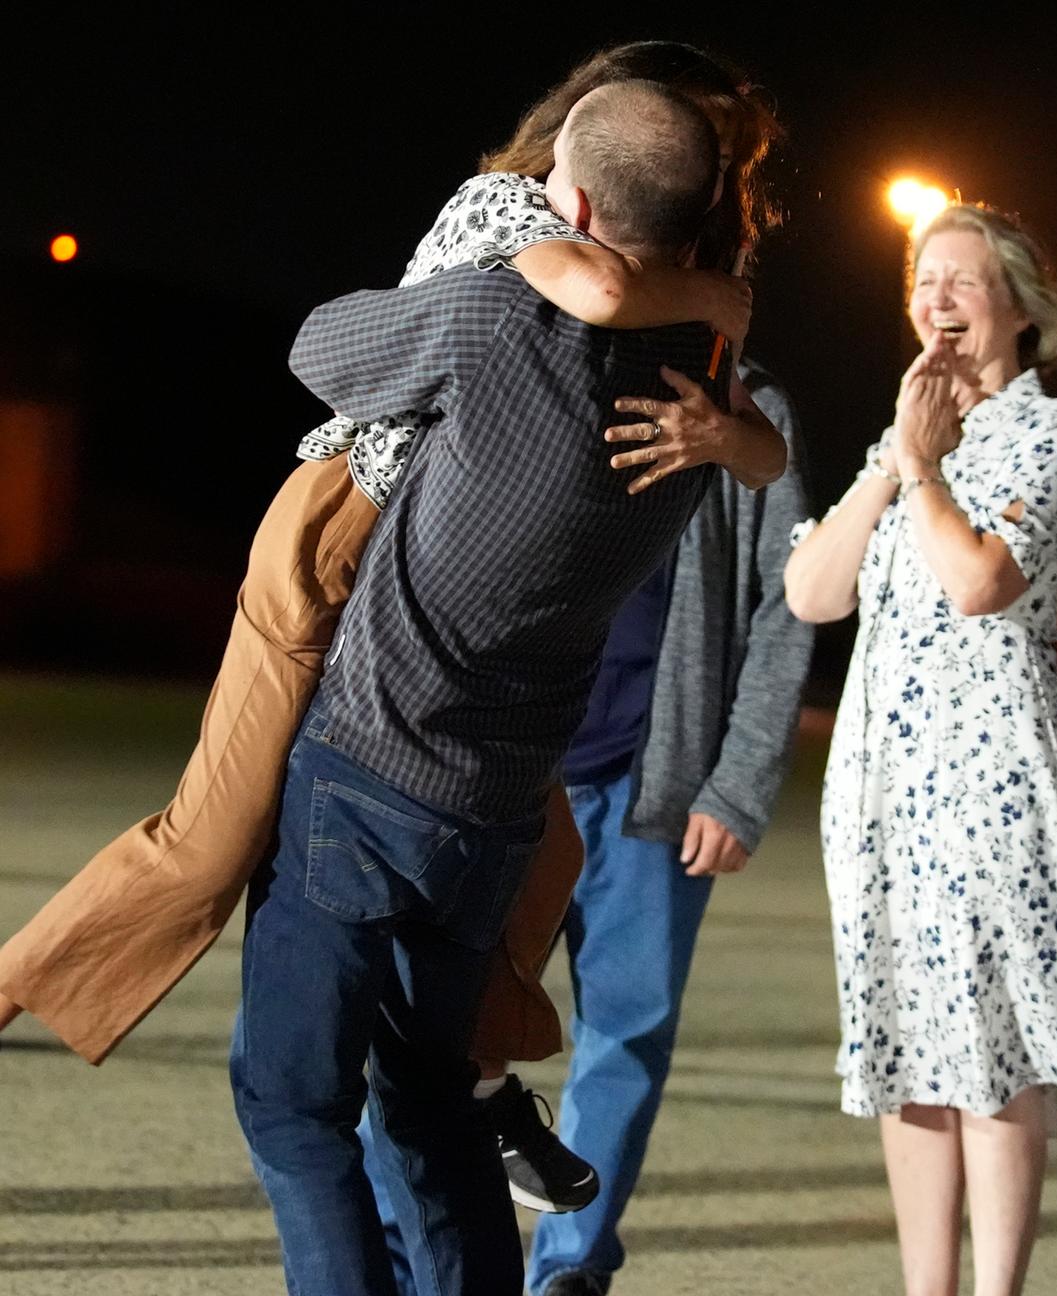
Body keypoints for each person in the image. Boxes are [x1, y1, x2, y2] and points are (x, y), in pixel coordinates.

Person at [0, 40, 778, 1072]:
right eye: (690, 134)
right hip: (345, 525)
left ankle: (470, 1082)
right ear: (595, 132)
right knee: (217, 836)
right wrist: (708, 298)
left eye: (716, 151)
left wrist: (721, 426)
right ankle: (15, 983)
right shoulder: (514, 208)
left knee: (543, 853)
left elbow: (762, 452)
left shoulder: (680, 294)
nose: (701, 165)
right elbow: (594, 289)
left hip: (447, 576)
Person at [235, 78, 783, 1296]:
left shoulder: (495, 316)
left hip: (369, 764)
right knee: (431, 1102)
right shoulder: (702, 393)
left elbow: (319, 350)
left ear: (573, 206)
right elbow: (758, 444)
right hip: (500, 806)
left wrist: (507, 255)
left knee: (290, 1102)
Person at [784, 202, 1057, 1296]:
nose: (936, 300)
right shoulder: (901, 443)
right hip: (877, 784)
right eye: (923, 281)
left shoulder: (1053, 431)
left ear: (1020, 309)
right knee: (902, 1042)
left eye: (963, 281)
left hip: (988, 774)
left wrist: (926, 472)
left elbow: (982, 583)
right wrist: (895, 462)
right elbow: (812, 593)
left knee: (991, 1046)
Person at [523, 358, 812, 1296]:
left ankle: (569, 1267)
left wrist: (737, 785)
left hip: (652, 787)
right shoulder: (541, 360)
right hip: (508, 778)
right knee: (433, 1031)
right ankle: (414, 1258)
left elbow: (789, 601)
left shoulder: (749, 401)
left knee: (625, 1035)